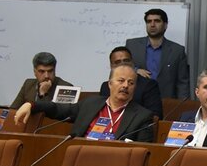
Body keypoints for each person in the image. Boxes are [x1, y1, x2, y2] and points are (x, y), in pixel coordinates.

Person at [14, 63, 154, 142]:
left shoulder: (142, 116)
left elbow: (142, 152)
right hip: (80, 158)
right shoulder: (90, 104)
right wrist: (31, 104)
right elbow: (58, 109)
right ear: (110, 84)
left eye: (131, 83)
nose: (125, 86)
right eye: (121, 81)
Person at [125, 8, 190, 99]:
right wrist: (135, 70)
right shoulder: (132, 45)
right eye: (149, 21)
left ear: (165, 25)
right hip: (137, 100)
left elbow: (182, 83)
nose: (152, 25)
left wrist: (183, 104)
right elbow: (120, 67)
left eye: (157, 21)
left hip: (165, 101)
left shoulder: (177, 50)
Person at [99, 47, 163, 119]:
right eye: (117, 62)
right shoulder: (105, 86)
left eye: (126, 61)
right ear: (111, 66)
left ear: (132, 63)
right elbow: (102, 112)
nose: (122, 64)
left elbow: (155, 116)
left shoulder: (149, 85)